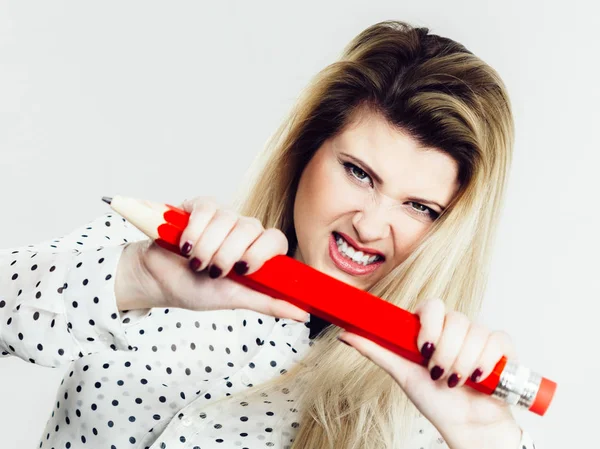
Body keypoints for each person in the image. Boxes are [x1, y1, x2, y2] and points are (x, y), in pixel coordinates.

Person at [0, 20, 537, 449]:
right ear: (306, 152)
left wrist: (483, 438)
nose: (370, 226)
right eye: (357, 172)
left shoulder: (427, 416)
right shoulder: (160, 250)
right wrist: (137, 277)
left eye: (419, 207)